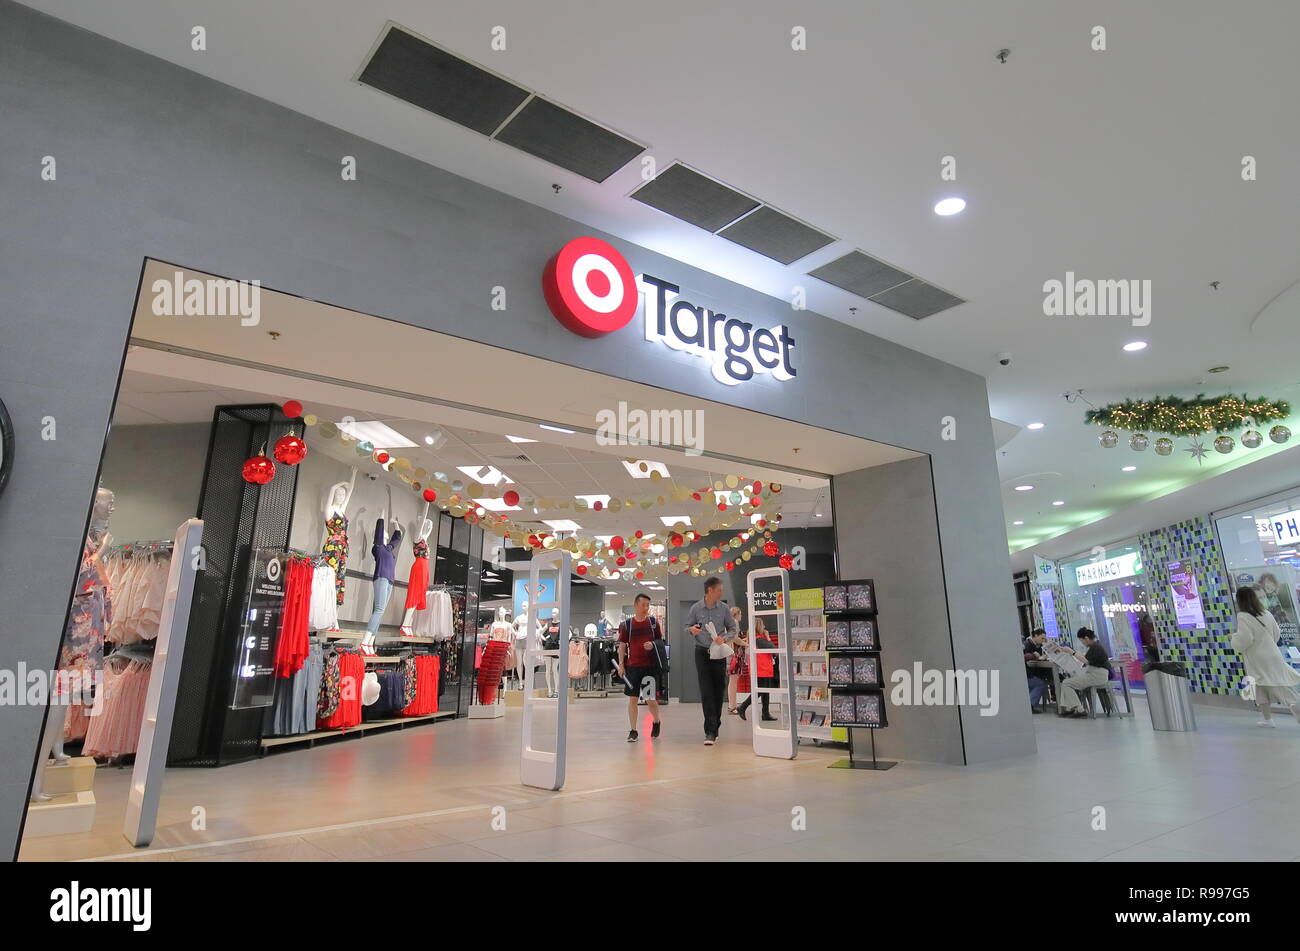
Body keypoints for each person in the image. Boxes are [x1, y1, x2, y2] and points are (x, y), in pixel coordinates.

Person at [1231, 585, 1300, 727]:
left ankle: (1295, 707)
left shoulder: (1243, 616)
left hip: (1258, 659)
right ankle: (1267, 719)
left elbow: (1245, 639)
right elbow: (1276, 633)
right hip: (1272, 654)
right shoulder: (1266, 613)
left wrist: (1233, 638)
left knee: (1278, 686)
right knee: (1260, 686)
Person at [684, 576, 739, 745]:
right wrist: (691, 630)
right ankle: (710, 731)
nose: (721, 592)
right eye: (719, 590)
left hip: (719, 653)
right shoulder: (695, 608)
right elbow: (687, 627)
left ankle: (715, 722)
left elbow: (733, 628)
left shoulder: (723, 609)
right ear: (710, 590)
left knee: (718, 689)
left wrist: (725, 638)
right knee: (706, 690)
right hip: (701, 653)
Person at [616, 593, 664, 742]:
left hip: (649, 667)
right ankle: (633, 730)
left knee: (650, 699)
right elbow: (622, 645)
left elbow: (660, 642)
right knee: (633, 699)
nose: (646, 608)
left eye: (648, 605)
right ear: (636, 605)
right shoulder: (627, 625)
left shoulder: (653, 623)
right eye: (643, 605)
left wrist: (653, 645)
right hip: (633, 668)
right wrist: (621, 665)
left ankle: (656, 721)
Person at [1053, 628, 1111, 718]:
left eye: (1081, 641)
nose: (1082, 643)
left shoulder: (1095, 647)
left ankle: (1079, 709)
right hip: (1095, 674)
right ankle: (1072, 708)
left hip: (1097, 676)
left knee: (1066, 683)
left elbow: (1086, 661)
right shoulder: (1095, 646)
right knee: (1067, 682)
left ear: (1086, 638)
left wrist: (1072, 652)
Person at [738, 617, 778, 721]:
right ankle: (742, 707)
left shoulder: (755, 639)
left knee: (765, 691)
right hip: (761, 669)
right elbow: (773, 648)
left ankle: (765, 713)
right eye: (763, 625)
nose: (765, 627)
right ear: (759, 627)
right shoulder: (758, 640)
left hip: (762, 668)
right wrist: (768, 637)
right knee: (760, 691)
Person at [1022, 628, 1051, 712]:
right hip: (1028, 672)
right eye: (1042, 638)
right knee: (1040, 684)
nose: (1043, 640)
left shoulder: (1036, 645)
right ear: (1035, 636)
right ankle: (1030, 705)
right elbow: (1027, 657)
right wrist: (1035, 656)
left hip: (1032, 671)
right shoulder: (1027, 645)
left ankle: (1032, 703)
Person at [727, 605, 748, 715]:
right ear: (737, 614)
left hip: (730, 653)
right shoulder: (734, 622)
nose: (742, 616)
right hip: (733, 654)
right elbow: (735, 639)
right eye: (740, 613)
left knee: (732, 680)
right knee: (733, 680)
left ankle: (732, 705)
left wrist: (743, 640)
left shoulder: (728, 623)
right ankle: (732, 706)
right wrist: (745, 643)